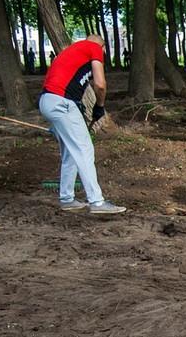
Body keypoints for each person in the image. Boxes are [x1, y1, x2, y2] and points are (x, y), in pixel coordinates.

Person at [38, 34, 125, 214]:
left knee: (71, 151)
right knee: (84, 149)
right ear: (102, 47)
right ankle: (97, 202)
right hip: (62, 103)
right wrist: (99, 106)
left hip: (47, 101)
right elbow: (100, 84)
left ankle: (67, 199)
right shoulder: (94, 48)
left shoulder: (70, 51)